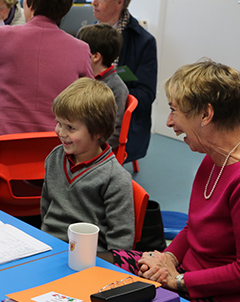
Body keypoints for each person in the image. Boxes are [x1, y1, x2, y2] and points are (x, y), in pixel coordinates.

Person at [100, 60, 240, 302]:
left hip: (225, 301)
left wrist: (177, 281)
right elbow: (195, 227)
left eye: (174, 111)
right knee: (100, 265)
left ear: (206, 114)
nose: (169, 122)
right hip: (187, 277)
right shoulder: (214, 157)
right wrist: (166, 260)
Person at [0, 0, 93, 189]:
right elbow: (91, 103)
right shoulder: (80, 49)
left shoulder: (1, 36)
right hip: (54, 169)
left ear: (29, 4)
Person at [41, 77, 135, 252]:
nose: (60, 132)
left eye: (70, 128)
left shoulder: (115, 177)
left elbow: (121, 239)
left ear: (98, 131)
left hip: (89, 257)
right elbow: (46, 205)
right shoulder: (54, 158)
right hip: (49, 246)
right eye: (59, 123)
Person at [92, 0, 157, 163]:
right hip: (87, 114)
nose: (93, 2)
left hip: (118, 122)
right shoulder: (87, 33)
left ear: (119, 2)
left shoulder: (143, 41)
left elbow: (146, 95)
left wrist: (110, 95)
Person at [76, 23, 129, 150]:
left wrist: (91, 150)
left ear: (95, 57)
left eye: (79, 50)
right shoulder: (81, 78)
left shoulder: (116, 88)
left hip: (93, 150)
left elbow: (114, 131)